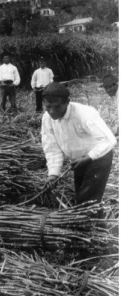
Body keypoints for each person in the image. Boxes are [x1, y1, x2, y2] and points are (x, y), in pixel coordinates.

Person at [41, 83, 116, 211]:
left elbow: (109, 140)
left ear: (67, 102)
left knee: (87, 200)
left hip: (99, 156)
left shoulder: (85, 113)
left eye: (57, 107)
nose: (52, 111)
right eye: (48, 107)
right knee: (81, 195)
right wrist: (53, 174)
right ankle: (91, 219)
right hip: (79, 160)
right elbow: (52, 148)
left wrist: (88, 158)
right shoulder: (47, 119)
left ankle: (91, 225)